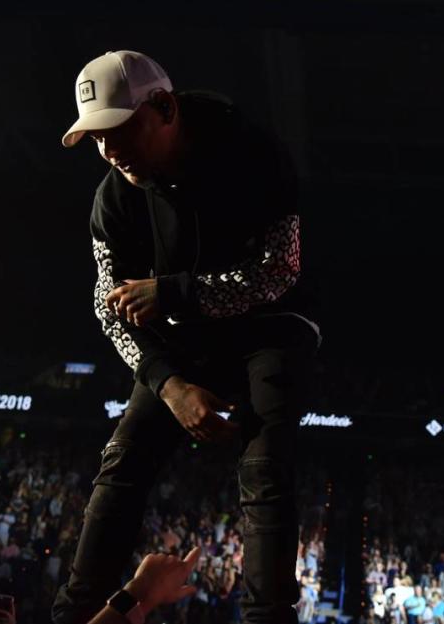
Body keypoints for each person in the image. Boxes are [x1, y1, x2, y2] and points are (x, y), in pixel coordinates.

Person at [52, 50, 321, 624]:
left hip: (271, 327)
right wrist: (169, 384)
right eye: (95, 138)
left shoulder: (254, 154)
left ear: (165, 107)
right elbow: (110, 307)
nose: (107, 150)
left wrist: (173, 293)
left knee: (265, 461)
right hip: (182, 340)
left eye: (117, 130)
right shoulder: (114, 198)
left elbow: (280, 271)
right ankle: (74, 617)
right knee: (123, 458)